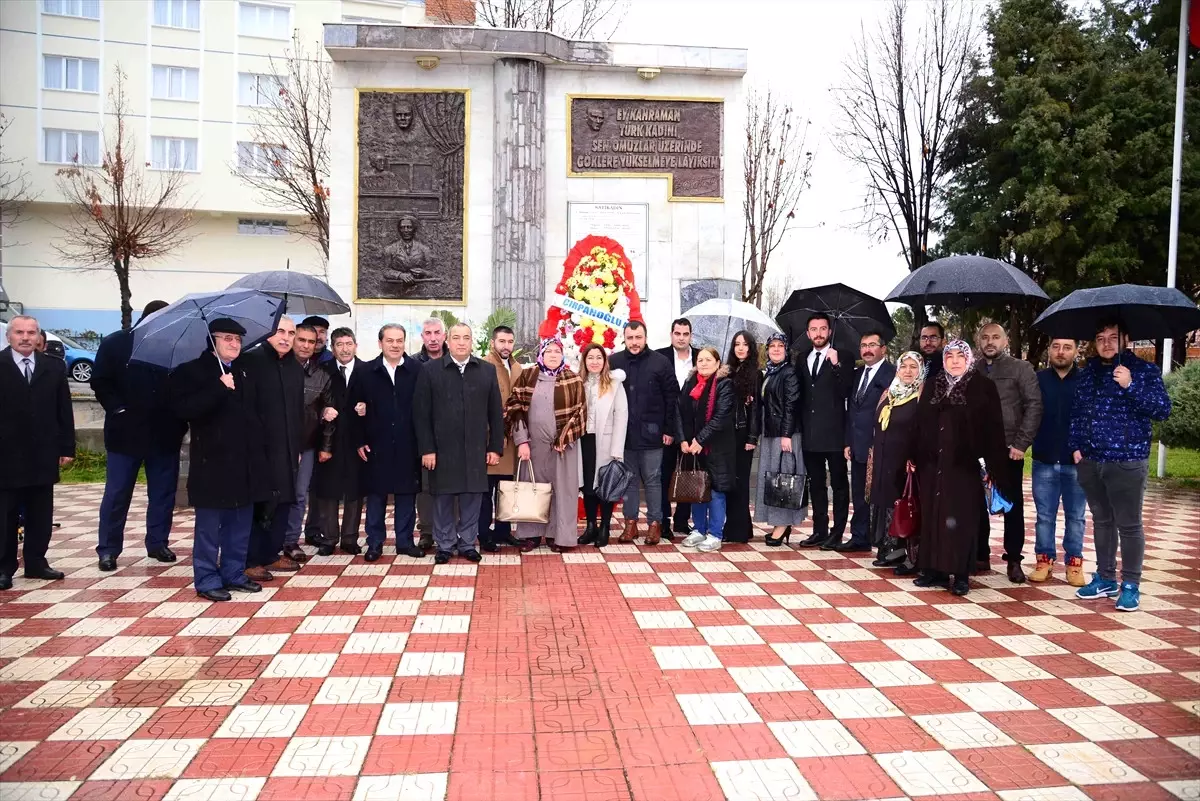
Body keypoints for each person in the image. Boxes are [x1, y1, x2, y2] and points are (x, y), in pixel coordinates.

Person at [1069, 321, 1171, 612]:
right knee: (1102, 521)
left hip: (1127, 460)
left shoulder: (1143, 371)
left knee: (1129, 525)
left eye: (1114, 338)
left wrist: (1130, 384)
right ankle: (1105, 577)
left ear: (1126, 339)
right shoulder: (1088, 374)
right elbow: (1077, 413)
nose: (1107, 343)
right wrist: (1076, 448)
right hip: (1091, 461)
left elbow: (1161, 409)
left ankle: (1131, 584)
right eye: (1101, 338)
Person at [169, 318, 267, 601]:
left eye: (237, 339)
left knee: (240, 524)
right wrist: (218, 387)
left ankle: (234, 573)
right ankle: (207, 578)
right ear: (212, 340)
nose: (234, 344)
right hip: (212, 463)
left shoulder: (245, 371)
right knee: (210, 527)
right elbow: (183, 409)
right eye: (227, 338)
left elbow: (255, 416)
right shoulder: (191, 372)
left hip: (244, 462)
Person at [909, 340, 1012, 597]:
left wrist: (992, 466)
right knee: (934, 516)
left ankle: (961, 574)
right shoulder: (934, 385)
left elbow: (994, 430)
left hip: (965, 465)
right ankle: (934, 570)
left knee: (961, 520)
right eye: (949, 356)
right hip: (933, 464)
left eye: (960, 356)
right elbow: (919, 424)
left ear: (969, 359)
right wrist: (913, 455)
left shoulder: (983, 387)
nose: (954, 361)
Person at [91, 300, 188, 571]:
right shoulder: (116, 344)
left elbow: (184, 389)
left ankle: (158, 543)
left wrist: (180, 423)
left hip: (165, 436)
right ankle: (108, 549)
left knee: (163, 494)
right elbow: (100, 381)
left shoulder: (176, 350)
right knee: (117, 494)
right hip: (125, 436)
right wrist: (118, 409)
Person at [413, 323, 504, 564]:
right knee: (442, 498)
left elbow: (495, 412)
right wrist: (427, 449)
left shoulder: (486, 370)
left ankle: (467, 544)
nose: (461, 342)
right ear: (448, 341)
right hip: (442, 450)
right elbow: (421, 414)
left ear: (472, 341)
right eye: (456, 337)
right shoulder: (430, 370)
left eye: (466, 337)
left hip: (475, 449)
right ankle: (445, 545)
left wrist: (495, 447)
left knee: (472, 498)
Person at [0, 316, 75, 590]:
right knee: (6, 515)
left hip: (43, 452)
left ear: (38, 338)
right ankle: (4, 567)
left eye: (31, 333)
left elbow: (63, 410)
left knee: (40, 512)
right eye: (19, 332)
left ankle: (36, 562)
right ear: (9, 336)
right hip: (6, 454)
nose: (25, 337)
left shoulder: (53, 367)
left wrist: (67, 446)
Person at [506, 338, 587, 553]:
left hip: (563, 447)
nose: (553, 354)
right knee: (532, 488)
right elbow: (515, 409)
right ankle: (530, 535)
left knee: (563, 491)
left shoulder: (573, 379)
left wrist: (565, 438)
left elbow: (581, 412)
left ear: (562, 355)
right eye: (548, 351)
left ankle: (558, 536)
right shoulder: (528, 376)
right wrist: (522, 440)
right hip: (533, 447)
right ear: (541, 354)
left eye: (557, 351)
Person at [977, 322, 1043, 583]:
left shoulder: (1020, 369)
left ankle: (1013, 559)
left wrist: (1021, 443)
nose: (989, 342)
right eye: (984, 338)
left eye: (995, 337)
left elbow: (1034, 406)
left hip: (1009, 449)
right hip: (978, 450)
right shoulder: (973, 369)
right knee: (975, 504)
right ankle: (979, 554)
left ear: (1005, 341)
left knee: (1012, 506)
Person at [355, 324, 425, 561]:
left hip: (408, 443)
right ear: (380, 343)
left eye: (399, 340)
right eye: (390, 340)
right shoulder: (366, 371)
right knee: (376, 495)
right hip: (377, 444)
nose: (395, 345)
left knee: (407, 494)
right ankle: (374, 543)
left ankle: (405, 542)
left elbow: (425, 410)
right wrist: (360, 440)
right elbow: (354, 407)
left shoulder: (417, 370)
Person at [243, 316, 304, 581]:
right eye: (280, 331)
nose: (286, 338)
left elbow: (297, 410)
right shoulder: (253, 361)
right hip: (260, 448)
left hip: (288, 448)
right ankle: (250, 558)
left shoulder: (293, 366)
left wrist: (298, 445)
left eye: (291, 333)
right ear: (268, 333)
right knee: (260, 505)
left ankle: (271, 553)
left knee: (283, 502)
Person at [609, 320, 677, 545]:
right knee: (629, 480)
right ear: (624, 338)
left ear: (645, 338)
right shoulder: (614, 361)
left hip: (653, 434)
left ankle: (654, 525)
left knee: (653, 480)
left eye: (638, 338)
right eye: (630, 338)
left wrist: (669, 429)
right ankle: (630, 525)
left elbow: (671, 397)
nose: (634, 342)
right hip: (624, 434)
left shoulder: (661, 362)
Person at [1030, 338, 1086, 586]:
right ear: (1049, 350)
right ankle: (1044, 560)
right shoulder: (1038, 379)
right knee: (1044, 515)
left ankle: (1074, 564)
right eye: (1056, 346)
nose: (1060, 352)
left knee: (1076, 516)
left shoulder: (1086, 380)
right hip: (1044, 458)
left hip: (1077, 462)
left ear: (1076, 350)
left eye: (1067, 347)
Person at [794, 312, 853, 549]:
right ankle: (819, 530)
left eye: (822, 329)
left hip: (835, 434)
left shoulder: (844, 356)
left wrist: (836, 364)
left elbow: (846, 391)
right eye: (814, 329)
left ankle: (837, 533)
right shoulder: (801, 358)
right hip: (810, 434)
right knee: (815, 484)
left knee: (839, 485)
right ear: (808, 333)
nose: (818, 333)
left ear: (829, 331)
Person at [868, 351, 926, 574]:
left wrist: (915, 458)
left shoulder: (920, 395)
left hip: (906, 463)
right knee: (885, 503)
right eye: (904, 366)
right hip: (884, 460)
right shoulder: (889, 392)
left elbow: (922, 431)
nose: (908, 371)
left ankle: (910, 556)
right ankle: (890, 549)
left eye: (913, 367)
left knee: (905, 505)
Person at [311, 327, 367, 555]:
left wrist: (367, 407)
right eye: (339, 344)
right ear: (332, 349)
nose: (345, 348)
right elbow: (311, 403)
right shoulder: (322, 371)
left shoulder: (367, 370)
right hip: (329, 439)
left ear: (355, 345)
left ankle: (350, 539)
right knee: (328, 491)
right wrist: (323, 411)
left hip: (357, 441)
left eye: (349, 343)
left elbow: (376, 400)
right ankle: (329, 538)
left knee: (355, 490)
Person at [677, 347, 736, 553]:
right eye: (700, 360)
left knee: (716, 491)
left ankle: (715, 534)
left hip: (716, 447)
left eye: (708, 360)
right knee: (697, 489)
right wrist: (683, 439)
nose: (703, 363)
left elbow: (721, 417)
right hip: (693, 447)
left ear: (718, 363)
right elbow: (680, 412)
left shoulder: (725, 385)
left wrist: (700, 440)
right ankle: (699, 530)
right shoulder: (690, 382)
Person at [842, 331, 895, 552]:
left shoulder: (893, 374)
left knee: (880, 495)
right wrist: (848, 442)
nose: (867, 349)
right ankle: (859, 536)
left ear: (883, 348)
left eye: (872, 344)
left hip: (880, 446)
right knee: (859, 494)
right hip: (858, 445)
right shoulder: (857, 374)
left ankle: (883, 542)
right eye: (863, 345)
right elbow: (852, 410)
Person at [288, 323, 337, 556]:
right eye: (301, 340)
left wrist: (325, 447)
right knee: (274, 494)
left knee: (299, 494)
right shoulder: (277, 368)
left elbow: (329, 413)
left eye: (311, 341)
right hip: (277, 445)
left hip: (306, 445)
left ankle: (290, 541)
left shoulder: (321, 375)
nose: (306, 345)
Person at [757, 333, 806, 546]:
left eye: (780, 346)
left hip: (785, 436)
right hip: (772, 433)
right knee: (774, 480)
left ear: (786, 350)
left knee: (784, 480)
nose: (776, 349)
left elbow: (791, 405)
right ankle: (779, 524)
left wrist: (786, 435)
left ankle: (783, 524)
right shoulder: (771, 372)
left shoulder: (789, 373)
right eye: (772, 346)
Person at [577, 343, 628, 548]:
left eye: (599, 357)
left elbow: (621, 415)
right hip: (584, 440)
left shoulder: (615, 384)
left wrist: (617, 449)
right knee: (588, 486)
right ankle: (591, 526)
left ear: (605, 361)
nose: (595, 361)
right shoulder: (579, 383)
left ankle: (605, 527)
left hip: (606, 441)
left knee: (605, 485)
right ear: (584, 361)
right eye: (591, 358)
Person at [480, 325, 525, 552]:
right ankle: (484, 534)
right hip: (490, 440)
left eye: (509, 342)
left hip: (512, 442)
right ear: (493, 342)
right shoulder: (483, 365)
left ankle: (503, 531)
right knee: (486, 492)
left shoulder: (517, 368)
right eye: (501, 342)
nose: (506, 346)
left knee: (507, 491)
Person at [655, 318, 699, 539]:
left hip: (695, 430)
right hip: (668, 429)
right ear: (671, 334)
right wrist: (667, 429)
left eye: (685, 334)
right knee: (664, 475)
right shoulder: (659, 357)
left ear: (691, 335)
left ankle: (682, 521)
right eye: (677, 333)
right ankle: (663, 521)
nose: (681, 337)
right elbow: (657, 396)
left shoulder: (701, 357)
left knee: (689, 475)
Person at [723, 331, 761, 543]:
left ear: (751, 347)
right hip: (728, 434)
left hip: (744, 433)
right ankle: (741, 527)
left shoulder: (755, 373)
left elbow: (756, 409)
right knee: (731, 481)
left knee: (740, 482)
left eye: (745, 344)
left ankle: (738, 531)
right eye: (737, 344)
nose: (740, 348)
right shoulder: (730, 371)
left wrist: (752, 437)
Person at [415, 317, 447, 552]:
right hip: (424, 436)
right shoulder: (414, 364)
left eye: (437, 333)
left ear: (444, 336)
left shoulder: (456, 361)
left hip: (452, 437)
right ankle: (426, 531)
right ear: (422, 336)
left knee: (452, 486)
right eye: (428, 333)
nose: (433, 338)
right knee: (425, 487)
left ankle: (449, 529)